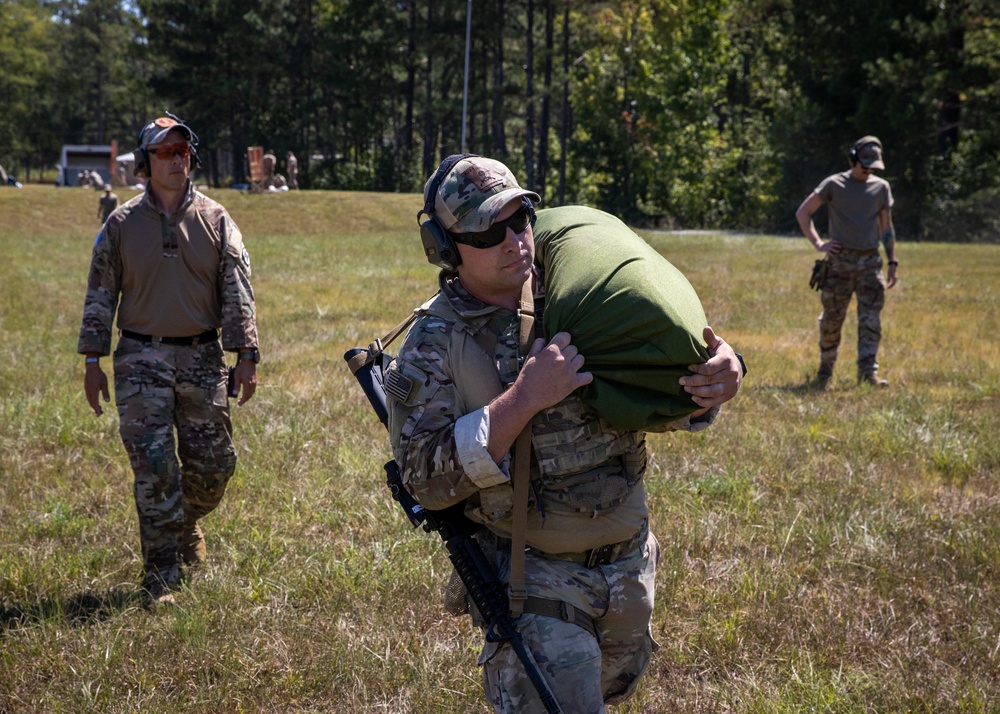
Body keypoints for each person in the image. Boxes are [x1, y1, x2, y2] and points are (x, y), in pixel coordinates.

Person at [387, 155, 743, 712]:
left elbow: (644, 394)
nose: (514, 241)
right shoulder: (435, 343)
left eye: (520, 218)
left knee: (611, 689)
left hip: (626, 564)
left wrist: (717, 379)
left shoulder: (579, 298)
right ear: (445, 248)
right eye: (486, 230)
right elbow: (425, 481)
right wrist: (525, 397)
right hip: (534, 579)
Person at [78, 115, 260, 604]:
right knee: (155, 469)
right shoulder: (119, 225)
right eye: (165, 152)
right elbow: (100, 293)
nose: (177, 159)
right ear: (145, 163)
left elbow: (237, 289)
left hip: (202, 358)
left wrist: (246, 353)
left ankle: (185, 525)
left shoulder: (217, 219)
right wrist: (92, 360)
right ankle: (161, 576)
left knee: (214, 468)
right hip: (139, 358)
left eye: (183, 151)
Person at [796, 135, 898, 388]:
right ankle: (825, 372)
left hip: (870, 264)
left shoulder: (881, 188)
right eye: (865, 163)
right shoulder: (834, 184)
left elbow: (886, 227)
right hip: (839, 264)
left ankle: (868, 374)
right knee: (831, 319)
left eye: (873, 165)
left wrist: (892, 261)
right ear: (853, 158)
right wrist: (820, 244)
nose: (869, 169)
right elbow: (803, 212)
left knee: (871, 321)